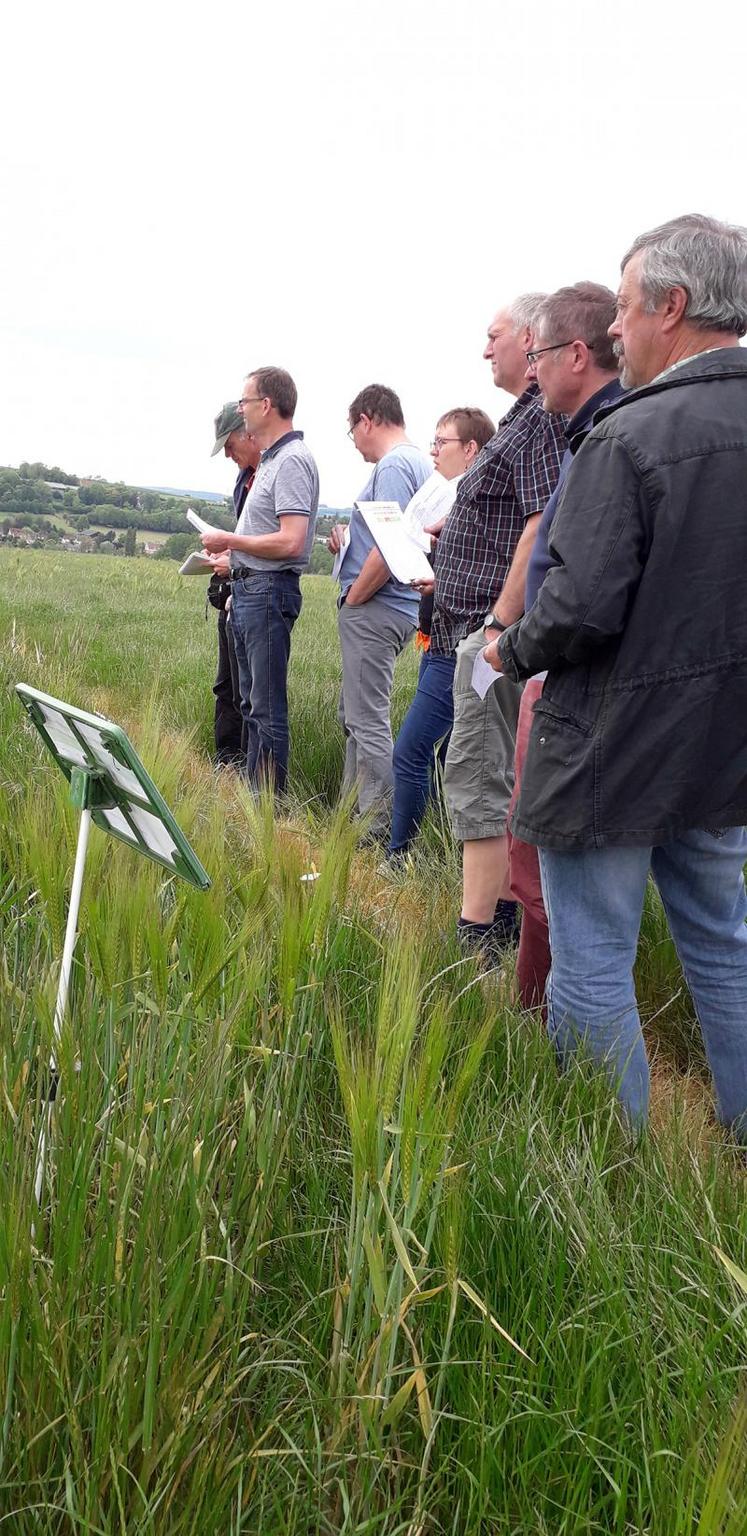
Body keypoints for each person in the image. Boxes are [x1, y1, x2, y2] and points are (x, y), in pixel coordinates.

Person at [496, 214, 747, 1141]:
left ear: (671, 308)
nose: (613, 328)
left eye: (626, 306)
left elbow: (579, 608)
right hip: (724, 753)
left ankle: (610, 1174)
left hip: (611, 746)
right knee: (722, 947)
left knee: (592, 958)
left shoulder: (629, 435)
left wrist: (508, 650)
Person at [491, 283, 623, 1008]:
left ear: (575, 354)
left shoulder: (607, 439)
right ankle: (541, 1016)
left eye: (537, 353)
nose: (531, 368)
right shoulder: (584, 435)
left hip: (566, 676)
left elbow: (581, 591)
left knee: (543, 864)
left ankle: (550, 1023)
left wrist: (512, 644)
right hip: (559, 667)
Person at [431, 296, 567, 957]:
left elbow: (541, 522)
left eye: (495, 336)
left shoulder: (539, 421)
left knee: (480, 770)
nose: (485, 349)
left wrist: (496, 626)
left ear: (531, 338)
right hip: (483, 629)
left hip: (493, 636)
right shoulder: (523, 417)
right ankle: (501, 921)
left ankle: (479, 932)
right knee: (485, 769)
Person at [201, 366, 319, 794]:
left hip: (268, 593)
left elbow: (292, 541)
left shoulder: (291, 460)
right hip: (251, 591)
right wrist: (235, 565)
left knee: (265, 711)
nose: (241, 409)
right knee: (250, 706)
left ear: (266, 405)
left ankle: (266, 809)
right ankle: (254, 802)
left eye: (245, 402)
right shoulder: (270, 460)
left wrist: (230, 541)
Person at [387, 407, 496, 857]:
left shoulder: (479, 502)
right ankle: (438, 852)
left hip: (457, 645)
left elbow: (488, 579)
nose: (433, 451)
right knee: (446, 756)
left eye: (442, 442)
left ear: (470, 449)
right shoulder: (459, 495)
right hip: (441, 637)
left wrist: (442, 578)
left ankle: (399, 858)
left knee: (411, 751)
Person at [328, 384, 431, 837]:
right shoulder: (418, 462)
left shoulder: (392, 465)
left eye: (353, 431)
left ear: (367, 420)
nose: (355, 443)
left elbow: (392, 546)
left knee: (367, 722)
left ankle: (378, 829)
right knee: (356, 717)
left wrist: (354, 597)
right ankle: (351, 818)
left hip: (377, 606)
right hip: (397, 607)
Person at [207, 402, 261, 766]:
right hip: (235, 594)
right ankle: (226, 761)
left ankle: (247, 770)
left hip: (256, 595)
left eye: (229, 445)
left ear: (248, 434)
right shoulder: (244, 480)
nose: (228, 455)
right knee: (226, 685)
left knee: (251, 693)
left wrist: (235, 559)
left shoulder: (275, 473)